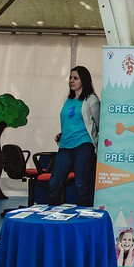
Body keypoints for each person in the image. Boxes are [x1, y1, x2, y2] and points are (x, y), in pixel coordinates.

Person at [48, 66, 101, 207]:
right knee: (54, 183)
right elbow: (68, 122)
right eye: (71, 78)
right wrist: (62, 134)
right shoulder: (68, 99)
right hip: (65, 144)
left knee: (81, 184)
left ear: (84, 80)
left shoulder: (91, 100)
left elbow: (99, 123)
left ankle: (85, 214)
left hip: (84, 144)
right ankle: (52, 213)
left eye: (75, 78)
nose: (71, 81)